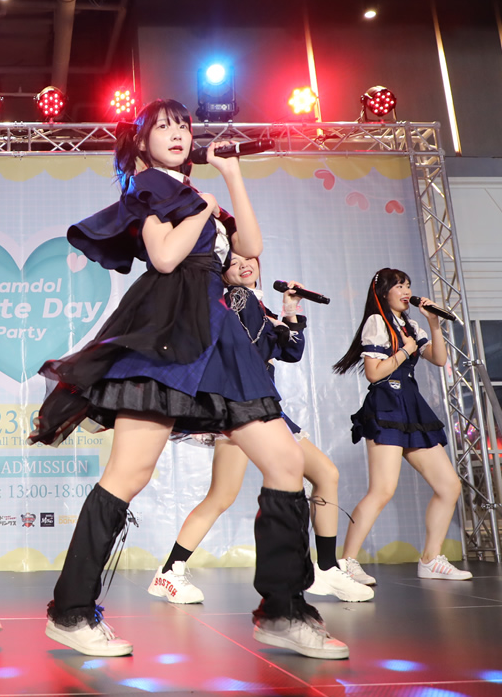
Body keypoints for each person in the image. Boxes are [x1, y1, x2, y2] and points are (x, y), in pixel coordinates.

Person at [29, 99, 348, 660]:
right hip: (168, 328)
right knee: (130, 472)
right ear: (143, 141)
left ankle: (281, 610)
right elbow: (165, 257)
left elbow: (249, 249)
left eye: (183, 125)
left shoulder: (197, 190)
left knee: (285, 463)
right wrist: (202, 211)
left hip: (220, 334)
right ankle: (71, 612)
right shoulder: (149, 187)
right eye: (163, 127)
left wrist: (231, 174)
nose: (176, 133)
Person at [150, 252, 373, 605]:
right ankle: (325, 568)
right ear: (222, 270)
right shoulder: (238, 300)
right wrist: (274, 324)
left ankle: (170, 570)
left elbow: (292, 352)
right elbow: (252, 350)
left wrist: (289, 310)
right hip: (246, 405)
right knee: (316, 476)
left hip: (254, 405)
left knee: (230, 494)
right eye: (235, 260)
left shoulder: (256, 305)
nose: (245, 264)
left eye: (250, 258)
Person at [332, 268, 471, 584]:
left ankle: (431, 559)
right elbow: (373, 373)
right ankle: (346, 562)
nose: (406, 291)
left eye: (408, 285)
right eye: (399, 286)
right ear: (384, 292)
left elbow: (439, 358)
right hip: (386, 403)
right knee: (382, 489)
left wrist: (433, 323)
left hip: (411, 404)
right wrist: (406, 349)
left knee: (449, 485)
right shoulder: (377, 322)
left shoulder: (410, 324)